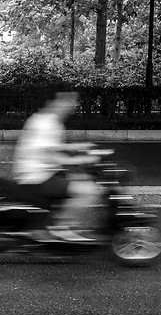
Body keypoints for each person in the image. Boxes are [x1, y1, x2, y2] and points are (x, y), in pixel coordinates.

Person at [12, 91, 101, 241]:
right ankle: (62, 226)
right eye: (69, 101)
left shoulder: (47, 120)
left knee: (81, 178)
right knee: (90, 191)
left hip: (43, 174)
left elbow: (53, 147)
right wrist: (79, 160)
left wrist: (80, 147)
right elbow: (46, 153)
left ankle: (58, 220)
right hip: (36, 178)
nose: (73, 106)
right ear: (56, 101)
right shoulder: (46, 123)